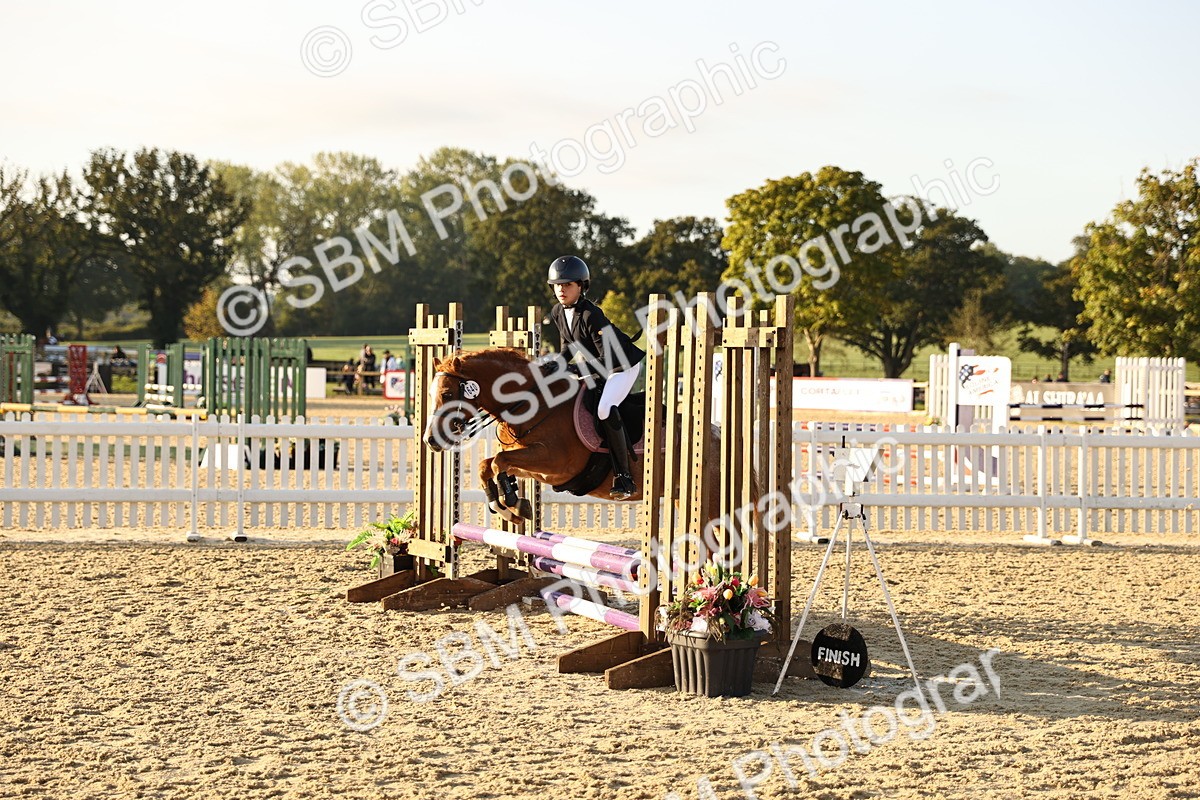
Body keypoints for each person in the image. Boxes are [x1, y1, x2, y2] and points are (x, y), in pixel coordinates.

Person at [547, 255, 645, 499]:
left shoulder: (592, 315)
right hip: (598, 366)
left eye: (568, 284)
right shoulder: (558, 311)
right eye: (558, 285)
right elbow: (567, 349)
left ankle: (624, 477)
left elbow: (609, 359)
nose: (562, 289)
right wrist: (551, 367)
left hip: (623, 366)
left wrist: (576, 371)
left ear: (581, 286)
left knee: (604, 408)